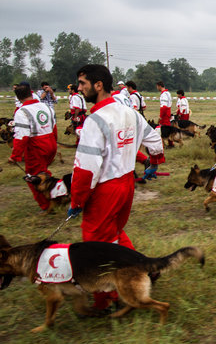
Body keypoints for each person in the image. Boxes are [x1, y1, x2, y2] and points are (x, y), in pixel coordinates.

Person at [69, 64, 164, 310]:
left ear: (98, 85)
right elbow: (154, 140)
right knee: (115, 233)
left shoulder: (95, 120)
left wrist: (77, 201)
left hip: (105, 189)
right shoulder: (129, 112)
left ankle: (107, 300)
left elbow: (86, 169)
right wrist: (153, 162)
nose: (79, 88)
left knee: (96, 246)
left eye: (82, 83)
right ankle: (144, 268)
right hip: (126, 185)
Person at [8, 83, 57, 211]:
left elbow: (22, 136)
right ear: (31, 93)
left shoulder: (21, 112)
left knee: (32, 178)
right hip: (50, 142)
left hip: (36, 147)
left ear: (18, 98)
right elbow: (54, 126)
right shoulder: (45, 106)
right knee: (44, 174)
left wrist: (15, 155)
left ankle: (47, 205)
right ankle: (56, 195)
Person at [157, 81, 173, 147]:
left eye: (157, 86)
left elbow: (164, 106)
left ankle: (164, 144)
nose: (157, 88)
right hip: (168, 112)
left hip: (164, 114)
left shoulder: (164, 94)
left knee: (163, 130)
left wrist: (160, 116)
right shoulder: (168, 93)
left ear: (159, 86)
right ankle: (170, 144)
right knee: (168, 129)